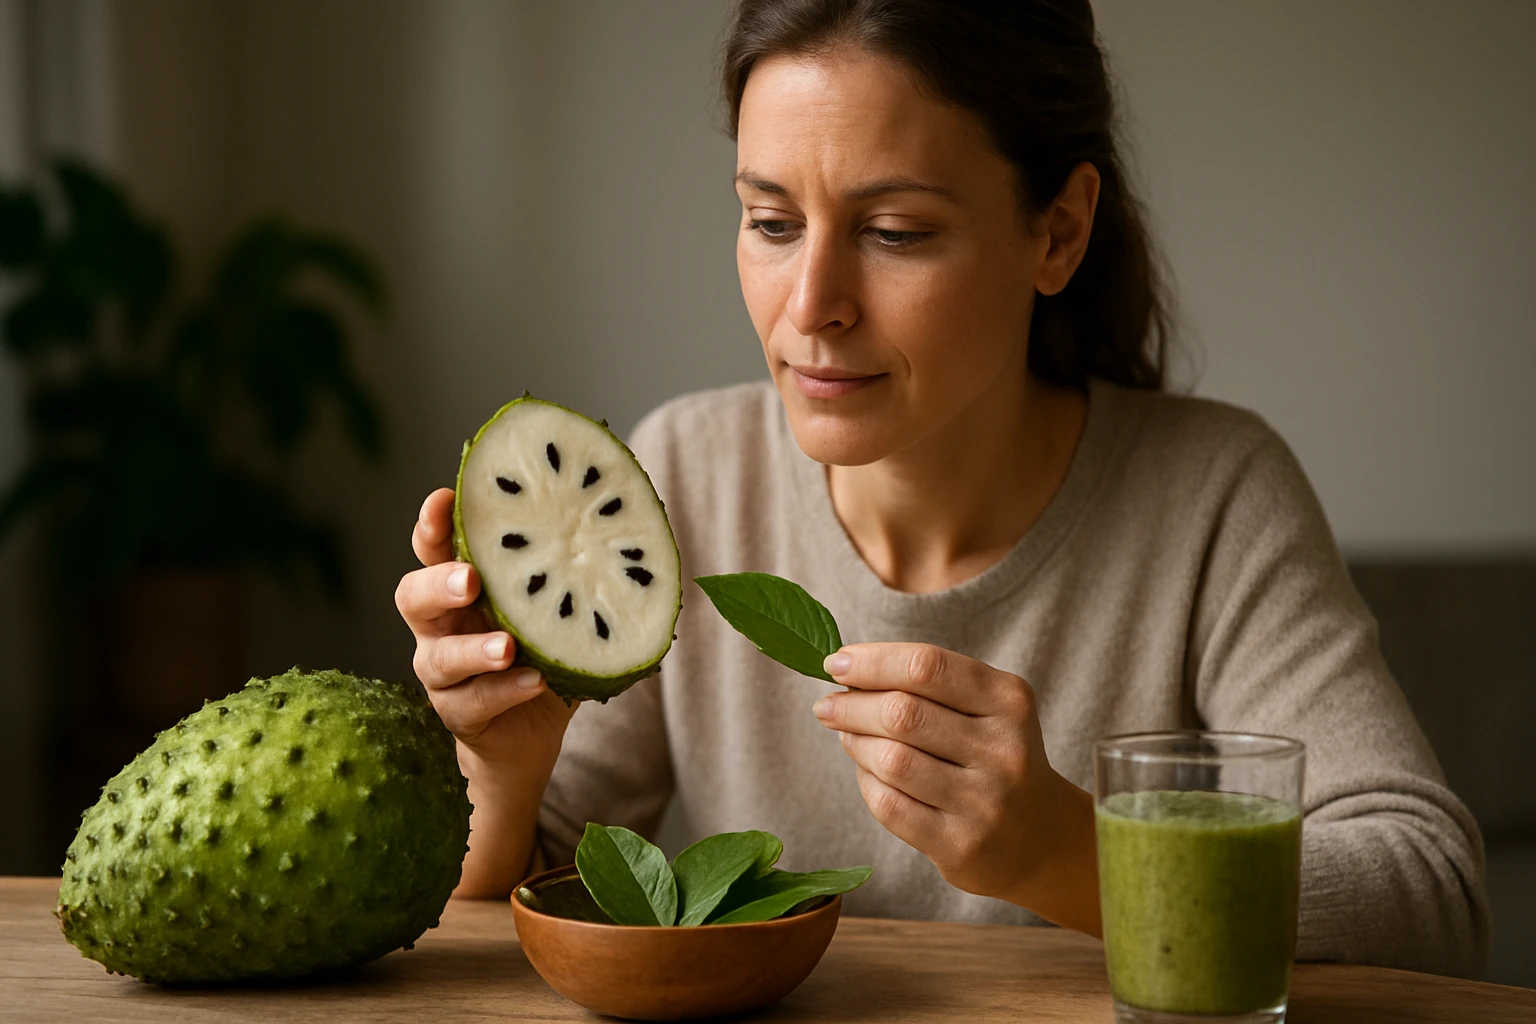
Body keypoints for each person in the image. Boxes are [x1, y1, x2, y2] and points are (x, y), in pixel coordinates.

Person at [394, 0, 1487, 977]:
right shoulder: (685, 469)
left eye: (895, 232)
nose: (810, 304)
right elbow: (512, 897)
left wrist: (1069, 849)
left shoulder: (1213, 495)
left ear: (1056, 231)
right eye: (771, 221)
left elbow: (1429, 885)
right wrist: (502, 761)